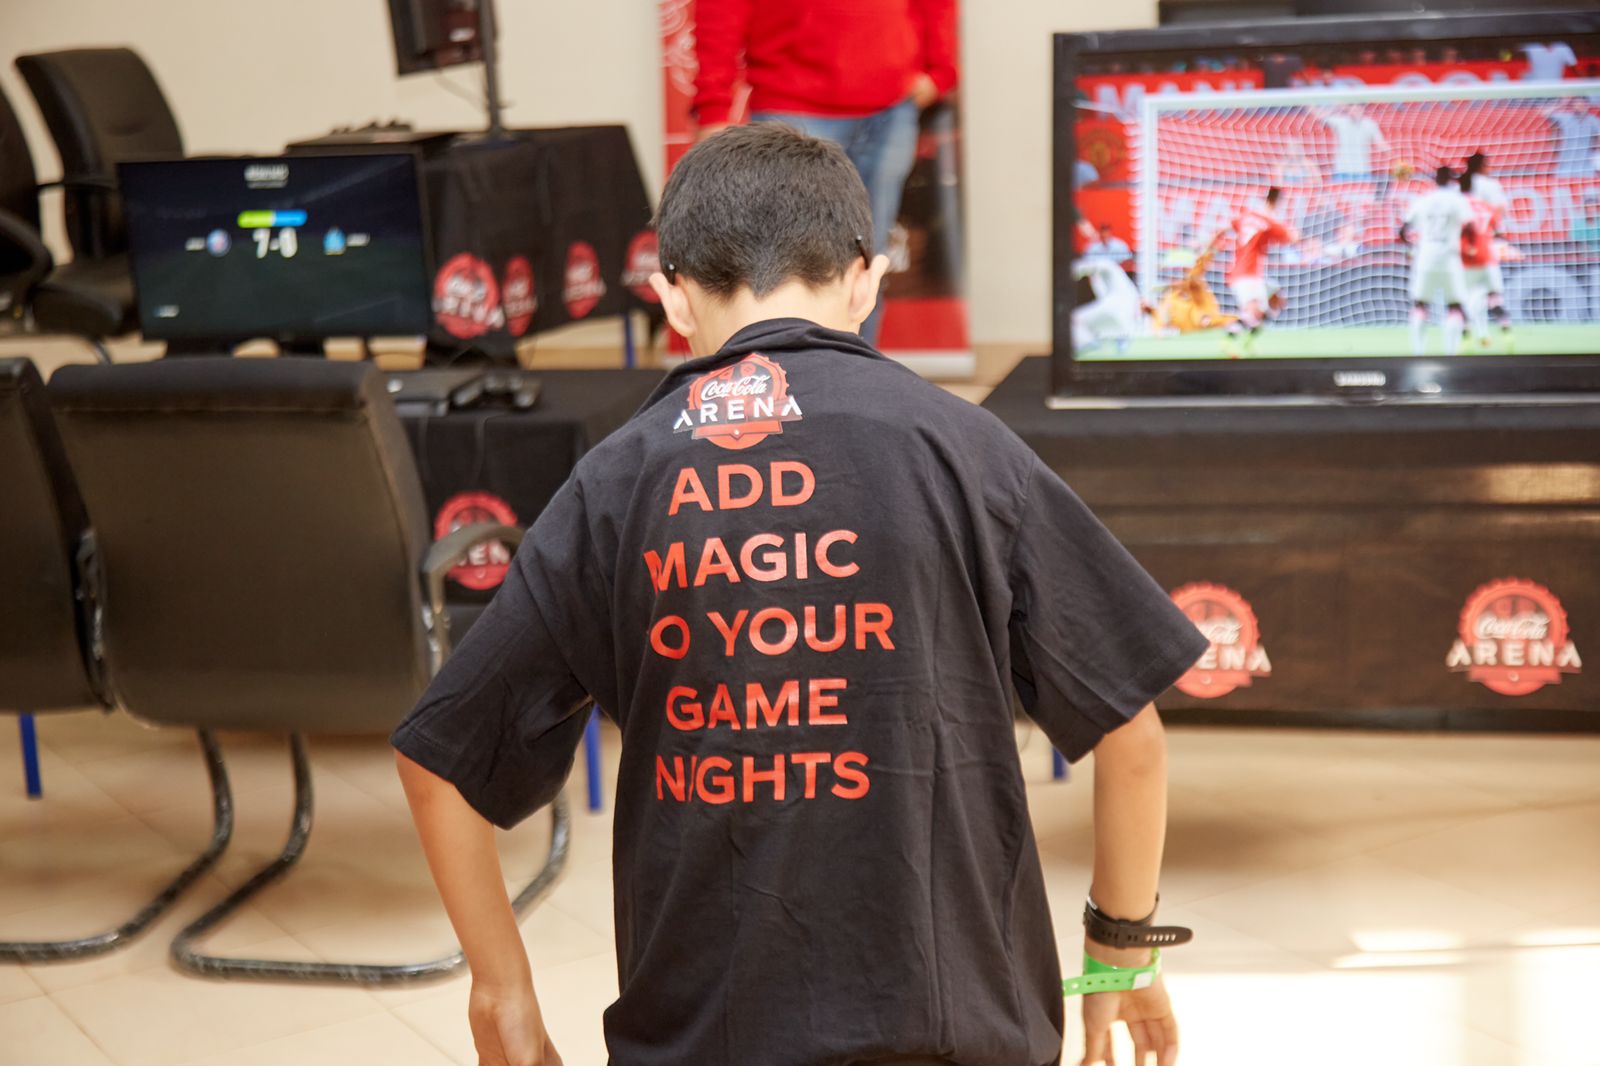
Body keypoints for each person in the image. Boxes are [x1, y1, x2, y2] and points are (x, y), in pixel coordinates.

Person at [392, 124, 1206, 1066]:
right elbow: (1132, 734)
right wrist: (1119, 952)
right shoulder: (968, 449)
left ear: (671, 297)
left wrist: (502, 994)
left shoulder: (617, 481)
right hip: (961, 1033)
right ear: (867, 281)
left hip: (702, 1044)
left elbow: (439, 761)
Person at [692, 0, 958, 345]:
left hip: (890, 108)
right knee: (786, 265)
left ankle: (856, 370)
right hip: (792, 107)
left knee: (866, 263)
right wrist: (714, 106)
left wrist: (940, 70)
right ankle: (786, 373)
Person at [1400, 165, 1476, 357]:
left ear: (1435, 180)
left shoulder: (1423, 200)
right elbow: (1470, 227)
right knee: (1454, 305)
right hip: (1449, 259)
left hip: (1425, 258)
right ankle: (1451, 354)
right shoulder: (1457, 200)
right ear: (1451, 180)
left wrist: (1411, 247)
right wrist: (1470, 247)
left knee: (1420, 305)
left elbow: (1403, 230)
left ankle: (1418, 352)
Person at [1222, 187, 1297, 358]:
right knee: (1253, 312)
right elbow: (1291, 238)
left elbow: (1228, 227)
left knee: (1274, 302)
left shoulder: (1247, 216)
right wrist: (1294, 232)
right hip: (1246, 274)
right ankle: (1228, 339)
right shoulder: (1268, 221)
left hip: (1248, 273)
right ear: (1275, 202)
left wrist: (1211, 242)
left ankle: (1248, 340)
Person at [1458, 171, 1513, 352]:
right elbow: (1498, 231)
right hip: (1488, 260)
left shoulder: (1459, 206)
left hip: (1468, 261)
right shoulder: (1486, 207)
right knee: (1493, 299)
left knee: (1466, 301)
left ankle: (1466, 338)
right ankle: (1505, 333)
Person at [1072, 253, 1142, 354]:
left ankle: (1087, 342)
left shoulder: (1108, 265)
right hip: (1124, 321)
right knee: (1098, 326)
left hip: (1114, 311)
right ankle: (1120, 338)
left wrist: (1073, 270)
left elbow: (1089, 267)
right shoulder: (1123, 284)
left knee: (1075, 318)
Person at [1318, 104, 1390, 182]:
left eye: (1358, 109)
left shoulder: (1369, 124)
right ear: (1348, 109)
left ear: (1362, 109)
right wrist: (1338, 108)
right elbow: (1320, 117)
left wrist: (1390, 154)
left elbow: (1381, 143)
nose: (1355, 111)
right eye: (1353, 109)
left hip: (1362, 170)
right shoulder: (1339, 121)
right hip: (1342, 170)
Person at [1547, 96, 1600, 178]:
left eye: (1582, 104)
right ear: (1572, 106)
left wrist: (1596, 152)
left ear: (1587, 105)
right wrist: (1562, 103)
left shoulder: (1594, 120)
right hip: (1566, 160)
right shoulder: (1564, 118)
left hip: (1586, 162)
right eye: (1576, 104)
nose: (1580, 107)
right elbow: (1546, 113)